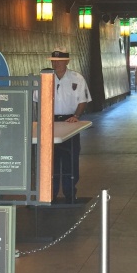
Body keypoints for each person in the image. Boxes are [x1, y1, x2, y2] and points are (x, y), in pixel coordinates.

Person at [49, 47, 91, 202]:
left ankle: (70, 193)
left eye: (60, 61)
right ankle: (50, 194)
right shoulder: (46, 78)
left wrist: (76, 116)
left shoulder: (77, 78)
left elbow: (83, 100)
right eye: (54, 61)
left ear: (67, 61)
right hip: (51, 121)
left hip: (70, 121)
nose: (56, 64)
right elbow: (37, 99)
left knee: (70, 158)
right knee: (51, 160)